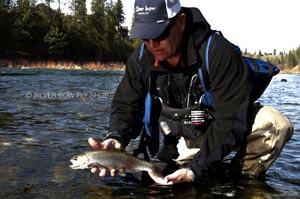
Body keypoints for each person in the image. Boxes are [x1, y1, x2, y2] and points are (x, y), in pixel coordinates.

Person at [89, 0, 294, 185]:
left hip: (223, 129)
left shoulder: (219, 54)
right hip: (179, 142)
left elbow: (230, 120)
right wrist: (117, 136)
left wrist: (195, 170)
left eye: (159, 34)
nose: (152, 44)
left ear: (181, 21)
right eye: (145, 36)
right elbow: (127, 105)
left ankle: (240, 180)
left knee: (276, 125)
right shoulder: (140, 59)